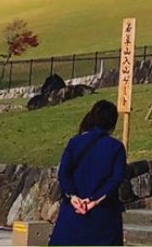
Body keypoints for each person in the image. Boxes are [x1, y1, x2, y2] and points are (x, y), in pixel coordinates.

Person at [49, 100, 126, 246]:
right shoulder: (116, 147)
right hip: (103, 217)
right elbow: (116, 179)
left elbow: (64, 173)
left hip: (72, 216)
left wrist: (73, 196)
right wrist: (94, 200)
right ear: (113, 122)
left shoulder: (75, 142)